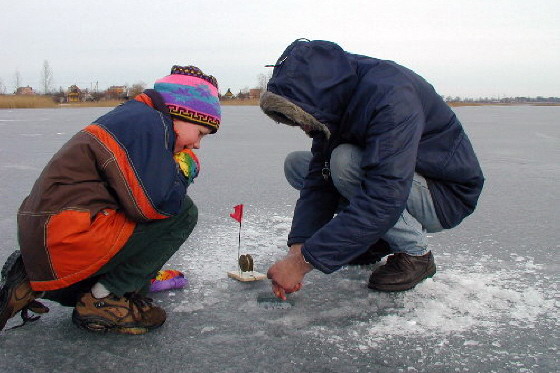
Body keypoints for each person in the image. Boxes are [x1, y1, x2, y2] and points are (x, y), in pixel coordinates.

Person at [0, 65, 221, 334]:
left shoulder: (135, 117)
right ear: (181, 113)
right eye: (200, 133)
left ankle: (30, 280)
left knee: (128, 280)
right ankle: (103, 300)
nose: (197, 144)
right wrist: (182, 172)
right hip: (67, 233)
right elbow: (154, 206)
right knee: (183, 214)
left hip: (49, 234)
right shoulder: (148, 124)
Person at [261, 39, 484, 300]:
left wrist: (303, 264)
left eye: (303, 119)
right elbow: (318, 181)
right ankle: (376, 240)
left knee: (343, 162)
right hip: (399, 183)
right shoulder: (334, 99)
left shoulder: (390, 98)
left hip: (443, 194)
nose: (304, 128)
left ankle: (416, 254)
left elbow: (386, 194)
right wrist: (298, 248)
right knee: (299, 165)